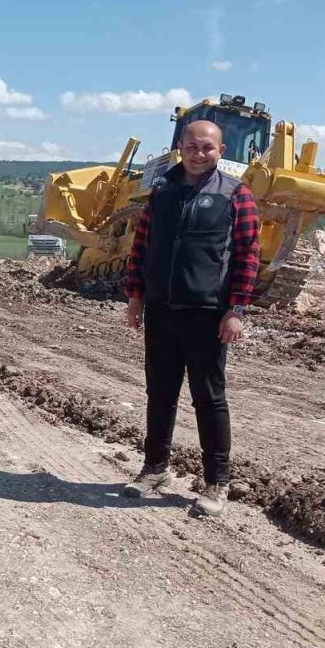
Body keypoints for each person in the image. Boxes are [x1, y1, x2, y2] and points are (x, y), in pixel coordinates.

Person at [120, 119, 259, 517]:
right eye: (193, 146)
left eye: (208, 148)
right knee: (159, 393)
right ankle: (154, 469)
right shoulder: (161, 191)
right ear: (180, 146)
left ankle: (217, 483)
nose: (200, 154)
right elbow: (141, 247)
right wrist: (135, 297)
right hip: (161, 309)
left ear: (221, 151)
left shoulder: (236, 195)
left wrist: (237, 309)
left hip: (208, 313)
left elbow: (249, 256)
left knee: (209, 398)